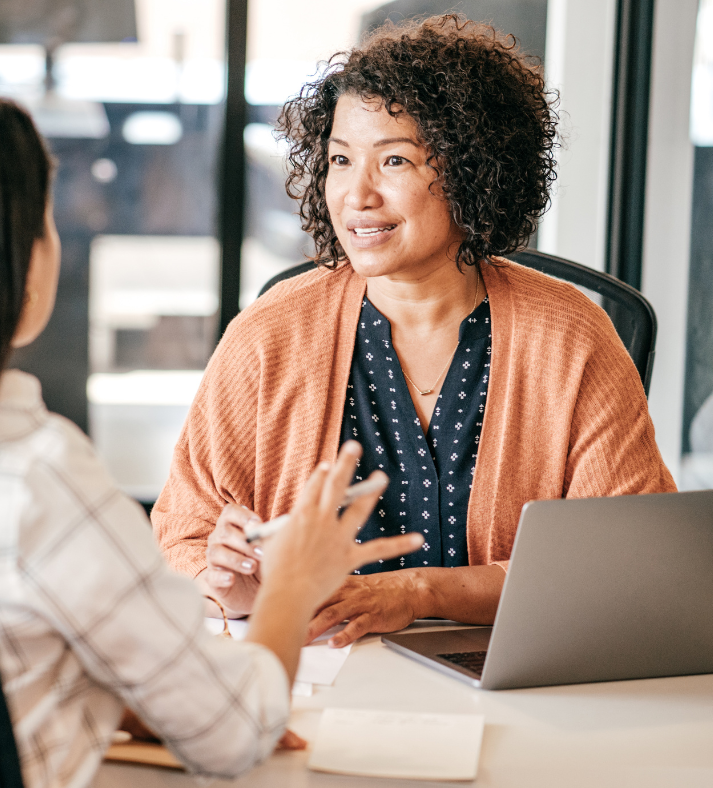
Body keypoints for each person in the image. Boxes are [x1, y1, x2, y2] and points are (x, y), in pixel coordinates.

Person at [0, 89, 424, 787]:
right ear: (17, 265)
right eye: (47, 221)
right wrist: (292, 586)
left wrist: (119, 696)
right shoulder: (35, 478)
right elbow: (234, 733)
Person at [152, 15, 675, 648]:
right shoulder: (270, 333)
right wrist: (227, 584)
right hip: (310, 667)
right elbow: (184, 534)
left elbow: (621, 561)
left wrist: (422, 592)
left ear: (471, 169)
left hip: (504, 674)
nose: (357, 194)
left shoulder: (569, 335)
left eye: (393, 159)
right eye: (341, 160)